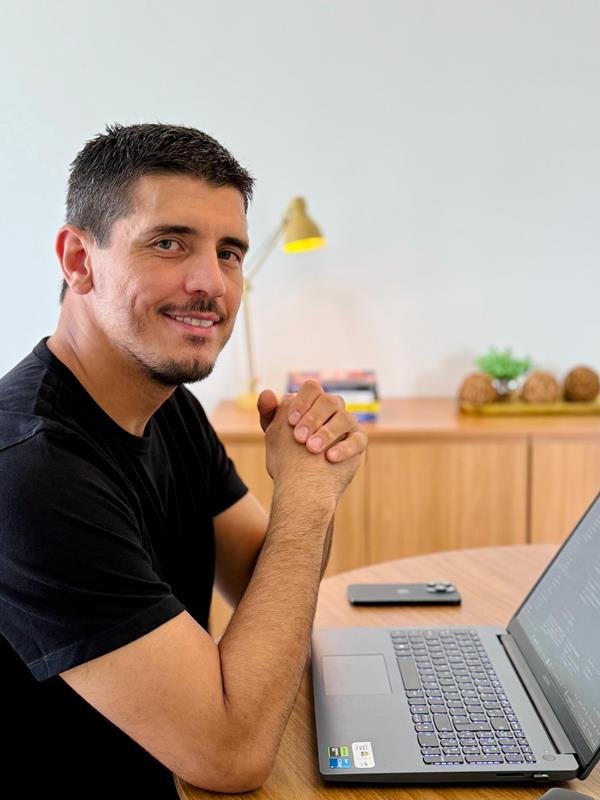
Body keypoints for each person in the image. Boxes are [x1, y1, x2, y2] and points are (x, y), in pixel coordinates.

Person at [0, 123, 367, 798]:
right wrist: (308, 496)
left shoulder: (169, 406)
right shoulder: (30, 471)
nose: (210, 284)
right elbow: (230, 754)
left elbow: (264, 578)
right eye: (168, 243)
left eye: (229, 253)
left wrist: (308, 479)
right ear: (78, 260)